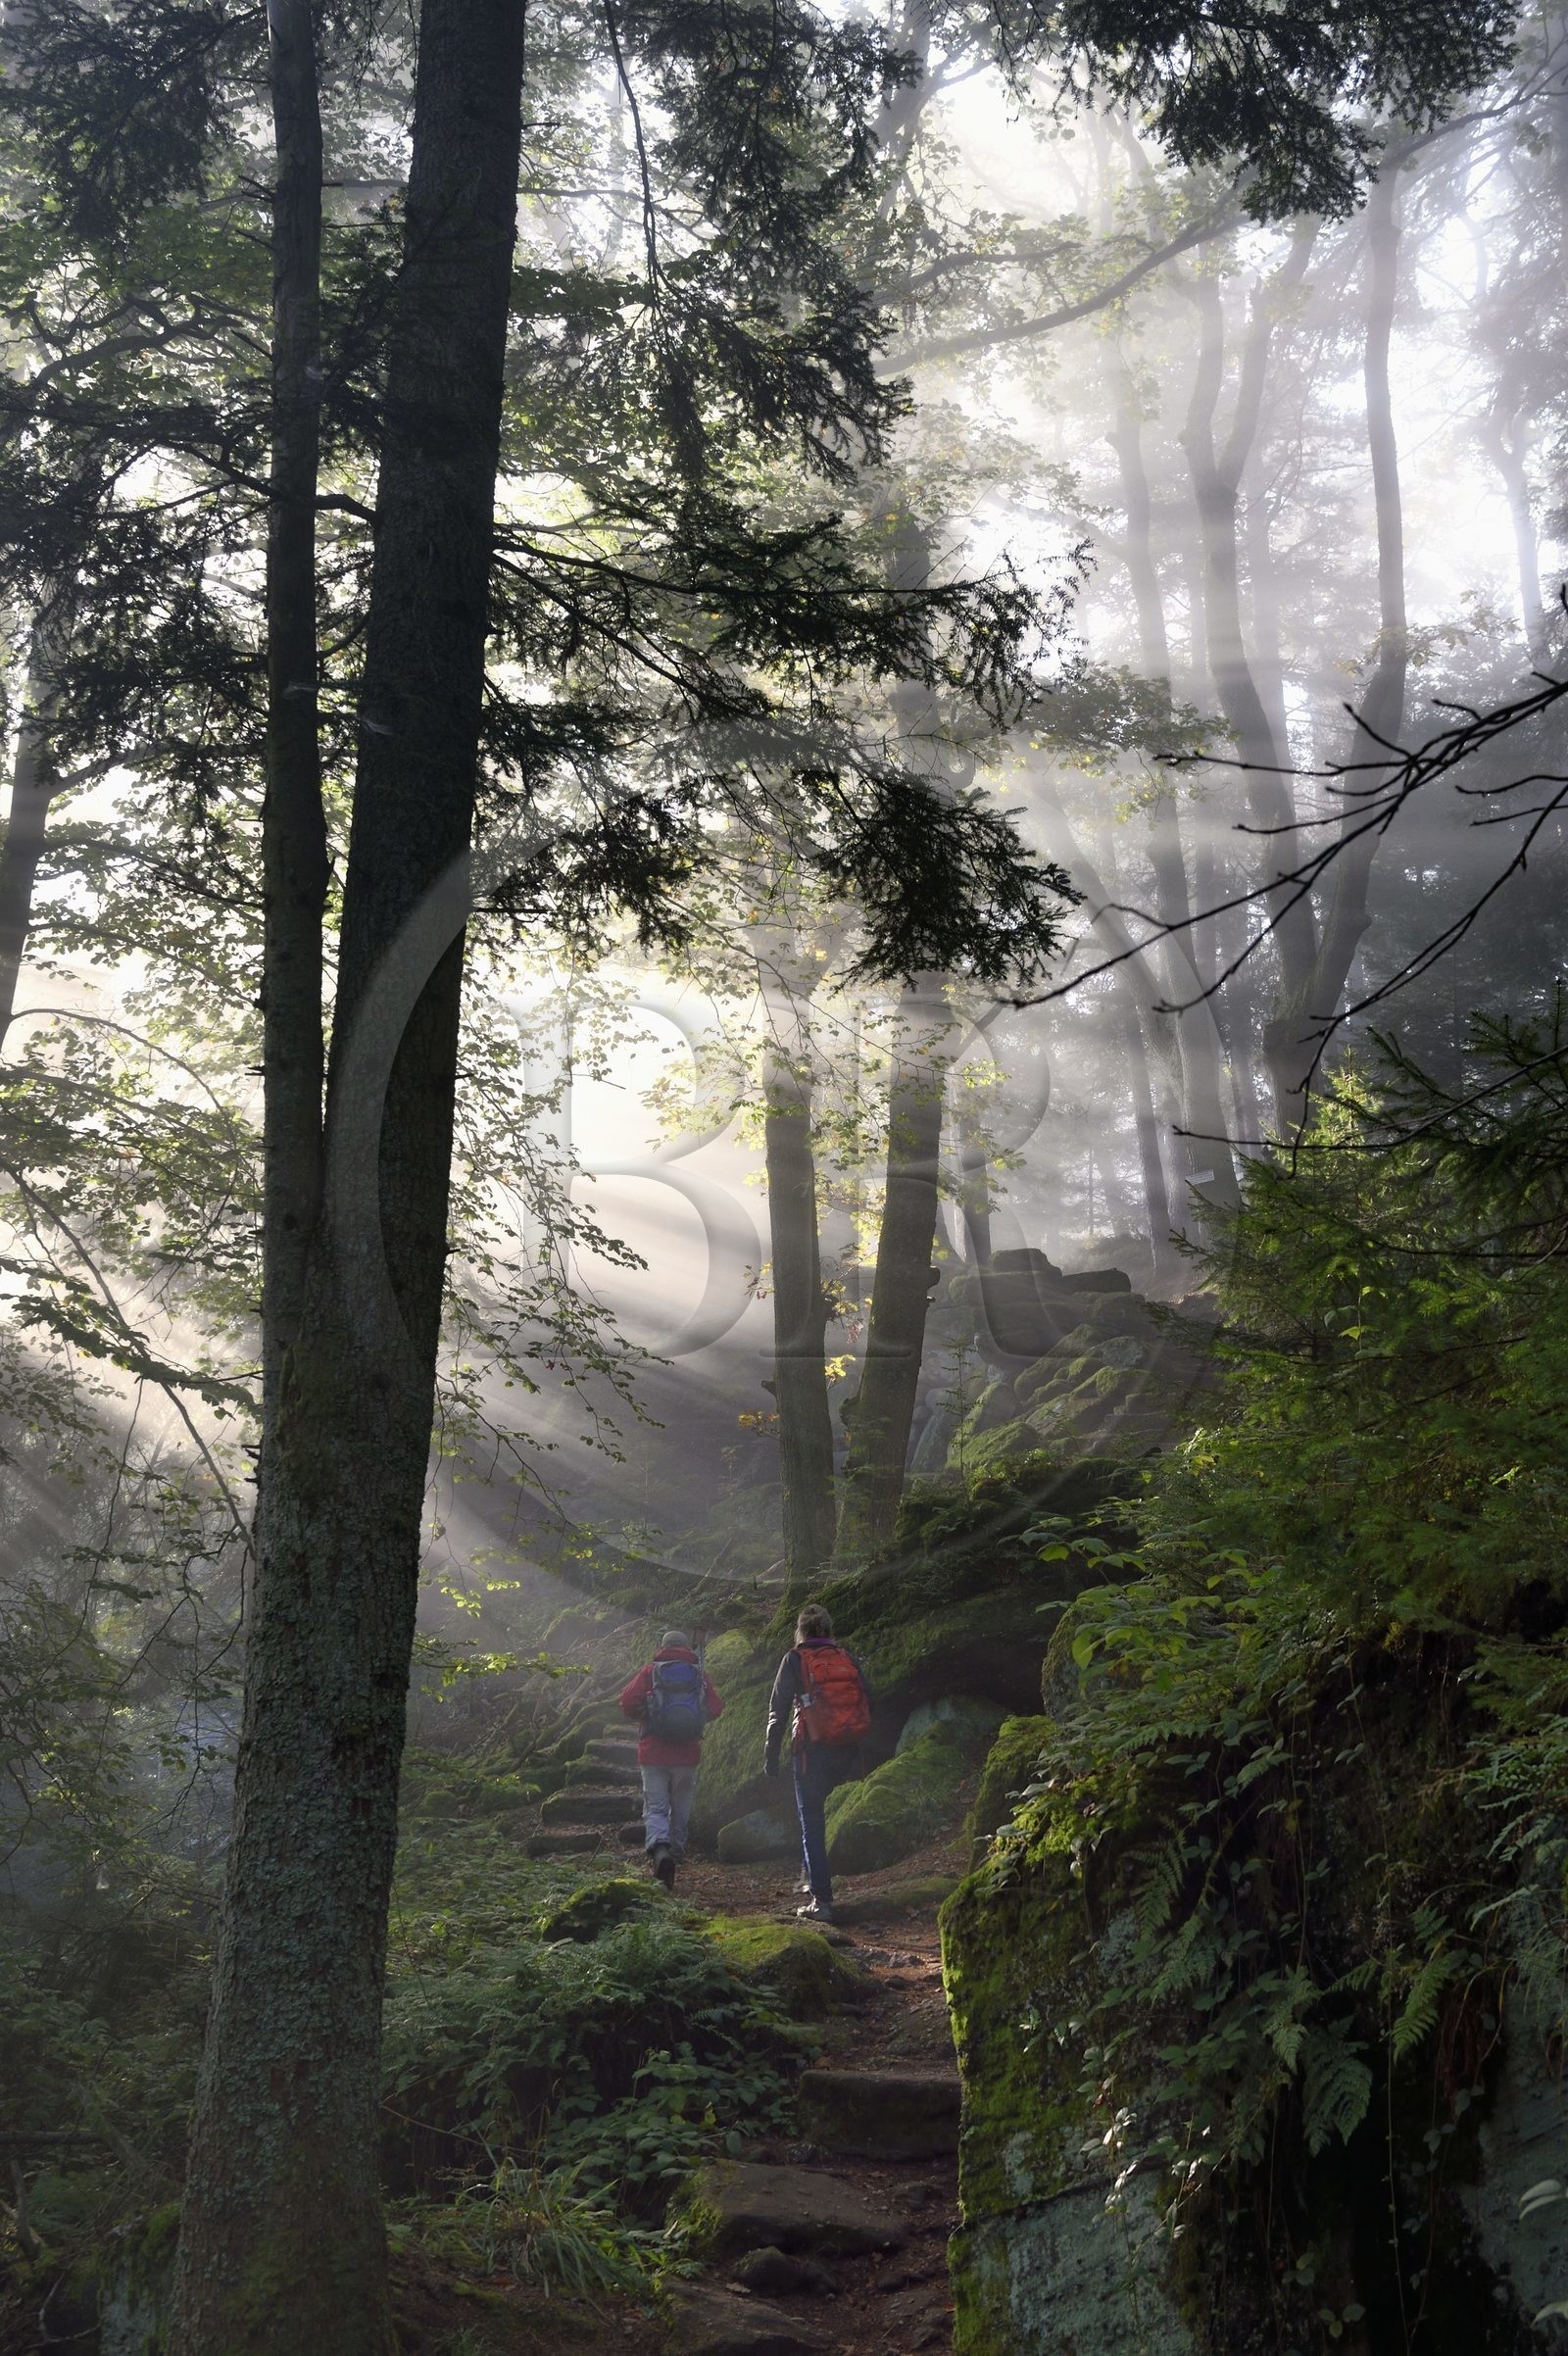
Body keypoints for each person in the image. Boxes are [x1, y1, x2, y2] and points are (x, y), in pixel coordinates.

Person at [763, 1602, 870, 1924]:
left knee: (812, 1821)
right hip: (848, 1747)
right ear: (828, 1629)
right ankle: (815, 1882)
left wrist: (770, 1755)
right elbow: (868, 1696)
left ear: (801, 1630)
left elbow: (778, 1711)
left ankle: (821, 1900)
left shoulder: (794, 1659)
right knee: (834, 1814)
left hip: (811, 1750)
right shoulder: (846, 1657)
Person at [618, 1628, 722, 1890]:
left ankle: (660, 1850)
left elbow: (626, 1701)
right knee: (681, 1804)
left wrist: (646, 1715)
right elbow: (716, 1708)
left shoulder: (651, 1671)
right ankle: (676, 1853)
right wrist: (695, 1718)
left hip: (653, 1752)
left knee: (655, 1807)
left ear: (663, 1646)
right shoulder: (698, 1673)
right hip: (687, 1754)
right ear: (686, 1647)